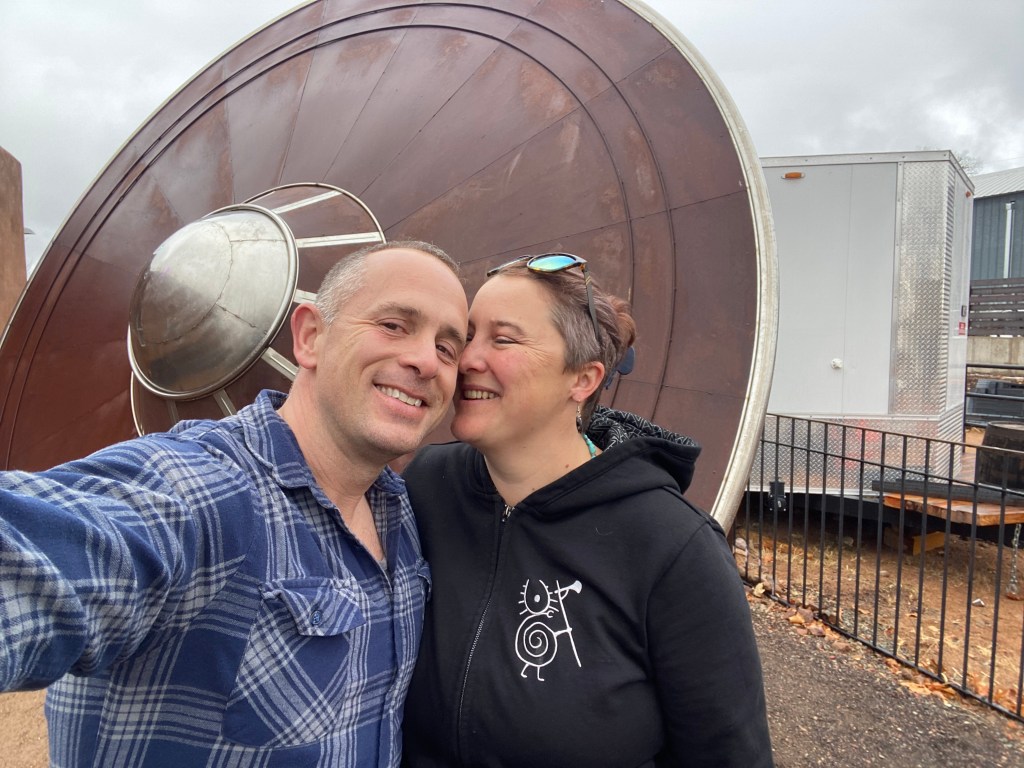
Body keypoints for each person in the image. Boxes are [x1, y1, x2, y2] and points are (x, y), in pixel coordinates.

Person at [0, 238, 468, 767]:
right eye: (394, 325)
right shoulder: (203, 490)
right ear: (310, 337)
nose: (425, 361)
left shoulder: (400, 512)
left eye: (446, 348)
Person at [401, 253, 773, 767]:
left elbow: (729, 755)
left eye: (503, 339)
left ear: (583, 379)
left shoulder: (672, 548)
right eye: (467, 336)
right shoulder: (425, 485)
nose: (466, 360)